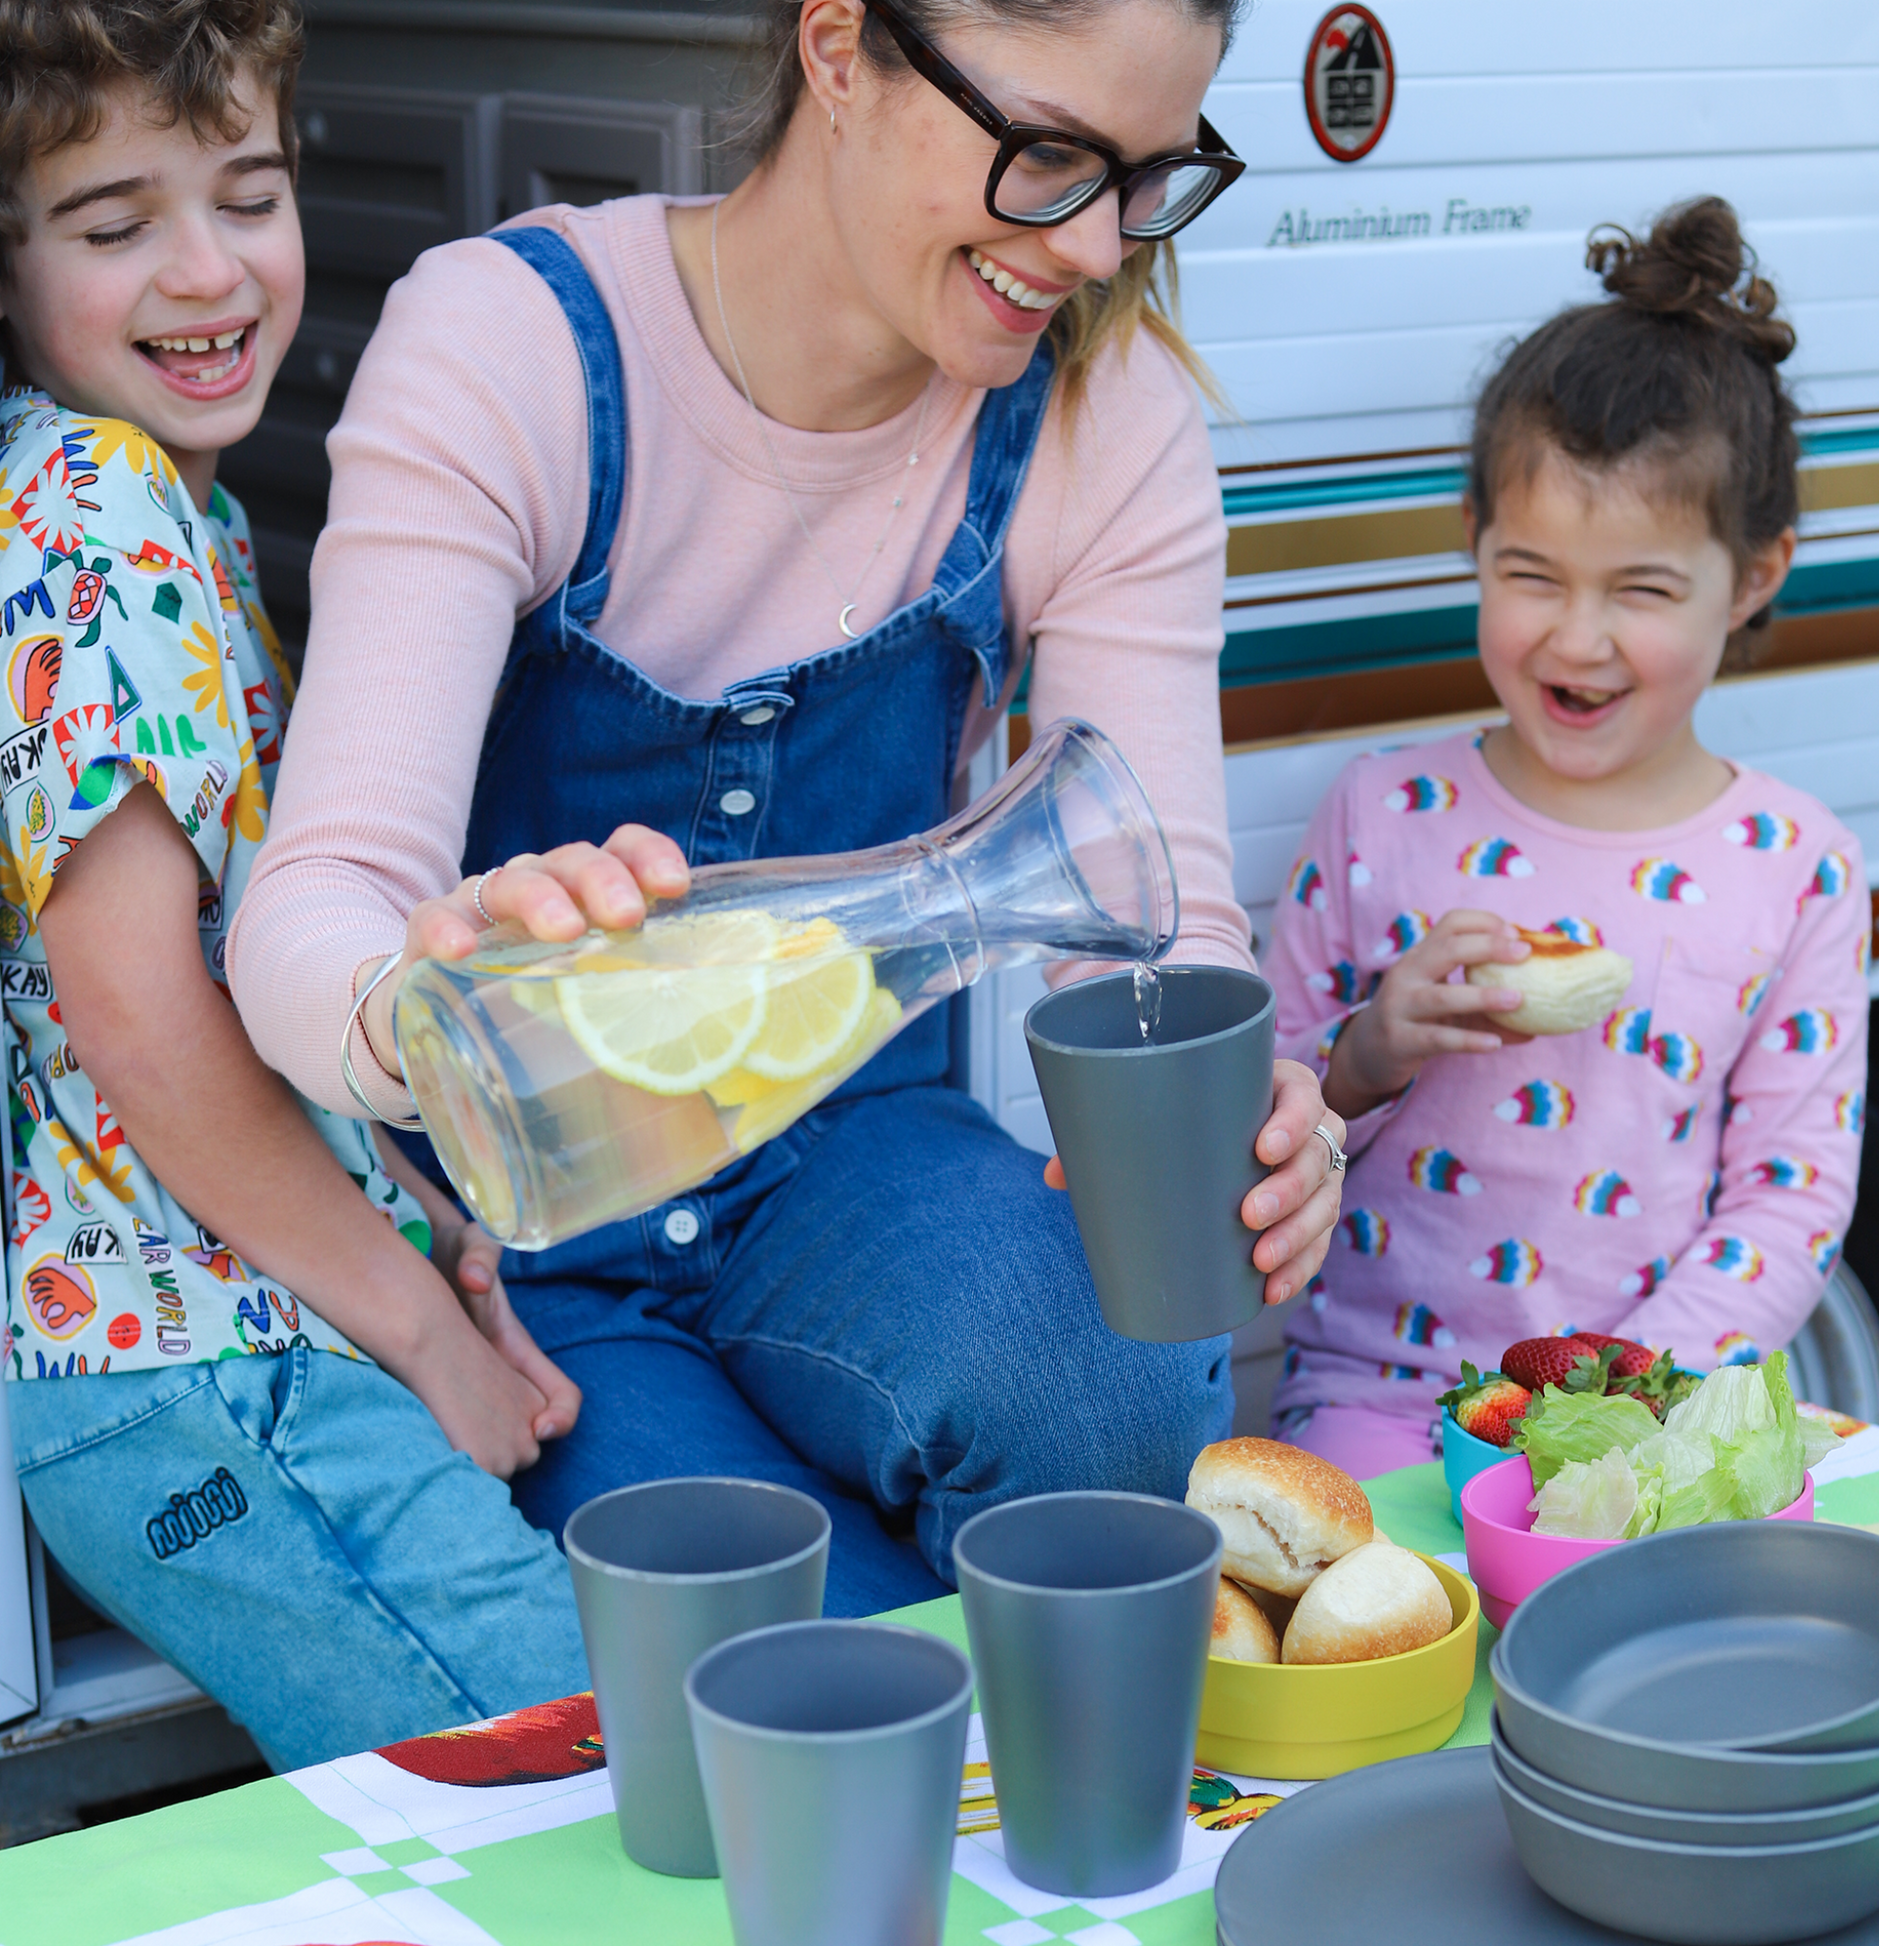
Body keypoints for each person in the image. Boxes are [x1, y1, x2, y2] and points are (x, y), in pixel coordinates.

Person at [229, 0, 1348, 1611]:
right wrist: (419, 1005)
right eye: (1047, 155)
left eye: (1150, 175)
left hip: (856, 1165)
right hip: (531, 1237)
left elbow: (1148, 927)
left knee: (1121, 1398)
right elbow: (315, 894)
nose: (1099, 246)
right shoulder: (518, 343)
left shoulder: (1101, 419)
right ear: (837, 47)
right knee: (790, 1632)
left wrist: (1246, 1116)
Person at [0, 0, 588, 1769]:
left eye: (246, 194)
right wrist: (424, 1334)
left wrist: (425, 1224)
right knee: (565, 1754)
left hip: (231, 1335)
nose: (206, 272)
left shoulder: (159, 502)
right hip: (195, 1378)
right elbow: (141, 1022)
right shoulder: (96, 518)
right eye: (115, 226)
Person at [1263, 199, 1868, 1480]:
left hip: (1647, 1408)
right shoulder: (1379, 818)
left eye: (1640, 588)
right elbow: (1255, 1129)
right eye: (1530, 573)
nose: (1574, 638)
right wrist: (1369, 1049)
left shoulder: (1791, 862)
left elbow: (1788, 1195)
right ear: (1472, 537)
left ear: (1753, 575)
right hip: (1377, 1393)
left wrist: (1620, 1406)